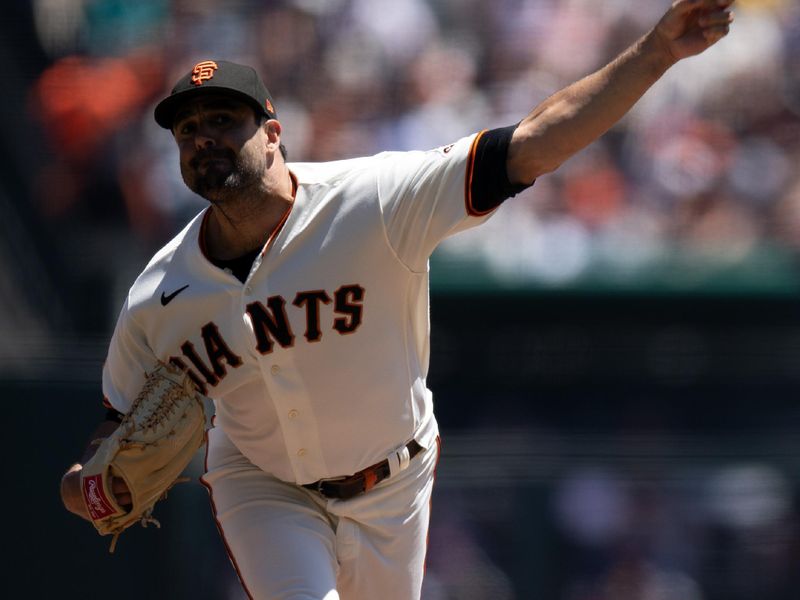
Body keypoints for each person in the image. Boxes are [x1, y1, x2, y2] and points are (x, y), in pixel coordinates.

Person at [60, 2, 735, 598]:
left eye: (223, 119)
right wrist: (88, 488)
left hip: (394, 483)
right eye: (187, 130)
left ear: (273, 131)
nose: (203, 136)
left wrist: (654, 54)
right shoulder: (158, 293)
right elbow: (112, 426)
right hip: (263, 487)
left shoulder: (374, 201)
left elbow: (533, 145)